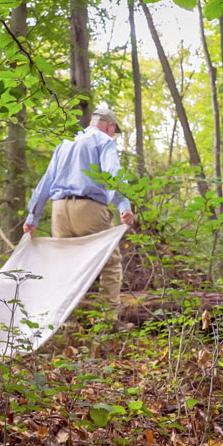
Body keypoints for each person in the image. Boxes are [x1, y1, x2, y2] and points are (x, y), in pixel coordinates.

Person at [22, 107, 135, 308]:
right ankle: (108, 318)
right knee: (110, 262)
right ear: (109, 126)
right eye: (113, 130)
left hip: (59, 210)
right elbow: (112, 173)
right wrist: (123, 205)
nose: (112, 135)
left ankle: (69, 324)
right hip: (88, 208)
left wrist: (33, 217)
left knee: (66, 266)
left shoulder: (66, 143)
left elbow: (46, 182)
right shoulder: (104, 141)